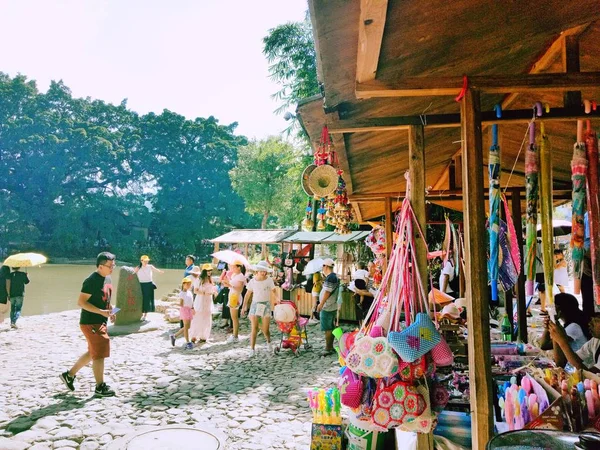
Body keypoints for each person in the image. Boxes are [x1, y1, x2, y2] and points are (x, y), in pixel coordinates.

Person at [59, 252, 117, 397]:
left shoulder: (107, 278)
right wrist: (100, 312)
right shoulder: (91, 281)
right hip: (90, 322)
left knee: (94, 352)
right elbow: (81, 302)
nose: (112, 268)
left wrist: (111, 310)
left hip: (100, 320)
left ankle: (69, 375)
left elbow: (105, 298)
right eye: (110, 266)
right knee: (101, 351)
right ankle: (100, 386)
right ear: (100, 266)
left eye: (113, 265)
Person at [242, 261, 279, 356]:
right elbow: (247, 294)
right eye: (262, 271)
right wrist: (244, 306)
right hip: (255, 305)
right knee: (254, 328)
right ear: (257, 271)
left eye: (265, 271)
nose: (263, 273)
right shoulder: (252, 281)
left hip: (265, 305)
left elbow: (274, 290)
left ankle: (269, 341)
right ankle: (252, 349)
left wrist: (278, 299)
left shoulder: (269, 280)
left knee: (265, 329)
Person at [316, 258, 340, 356]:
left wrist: (321, 304)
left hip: (327, 306)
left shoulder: (330, 277)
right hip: (332, 305)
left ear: (325, 266)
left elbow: (327, 292)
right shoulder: (334, 277)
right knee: (330, 326)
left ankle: (328, 348)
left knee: (327, 328)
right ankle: (330, 347)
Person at [189, 264, 217, 343]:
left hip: (208, 300)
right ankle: (194, 336)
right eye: (208, 270)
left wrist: (213, 292)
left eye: (210, 270)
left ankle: (203, 336)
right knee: (198, 317)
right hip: (200, 300)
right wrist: (204, 293)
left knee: (206, 318)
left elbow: (213, 289)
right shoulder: (199, 279)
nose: (209, 272)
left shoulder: (211, 280)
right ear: (204, 271)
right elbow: (195, 290)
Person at [221, 260, 247, 343]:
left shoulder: (240, 276)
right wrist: (226, 282)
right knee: (233, 317)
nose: (232, 268)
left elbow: (239, 288)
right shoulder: (234, 275)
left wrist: (229, 284)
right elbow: (230, 285)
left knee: (234, 317)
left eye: (233, 267)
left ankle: (235, 335)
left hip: (236, 296)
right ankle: (234, 335)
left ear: (239, 267)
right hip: (232, 295)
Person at [134, 255, 164, 321]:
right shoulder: (138, 267)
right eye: (145, 261)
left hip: (149, 284)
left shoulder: (150, 266)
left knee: (148, 300)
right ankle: (141, 314)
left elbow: (156, 270)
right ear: (141, 261)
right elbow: (133, 273)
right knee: (141, 299)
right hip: (141, 284)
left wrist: (160, 272)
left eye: (147, 261)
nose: (146, 262)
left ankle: (145, 315)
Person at [170, 277, 195, 350]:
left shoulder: (189, 292)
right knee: (186, 327)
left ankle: (174, 336)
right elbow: (181, 304)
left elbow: (191, 301)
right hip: (184, 310)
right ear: (183, 284)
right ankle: (188, 342)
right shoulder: (182, 293)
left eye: (189, 284)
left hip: (189, 310)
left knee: (188, 327)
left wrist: (192, 308)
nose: (188, 285)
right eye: (187, 284)